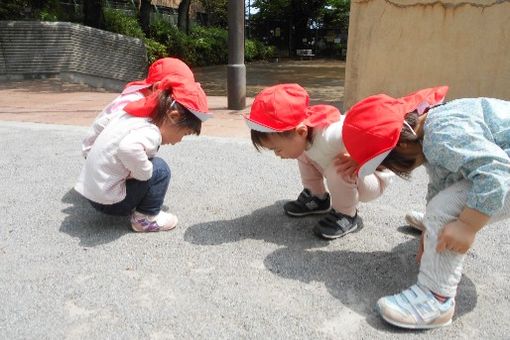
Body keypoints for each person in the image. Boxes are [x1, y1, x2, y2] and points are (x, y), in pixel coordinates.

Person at [340, 85, 510, 329]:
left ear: (401, 147)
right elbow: (443, 181)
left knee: (445, 208)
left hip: (502, 171)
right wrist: (431, 228)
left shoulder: (442, 134)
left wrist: (466, 225)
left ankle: (436, 299)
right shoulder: (430, 126)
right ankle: (440, 222)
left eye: (389, 163)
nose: (394, 170)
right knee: (441, 206)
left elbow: (496, 172)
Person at [244, 83, 394, 239]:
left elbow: (383, 132)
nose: (277, 155)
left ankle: (346, 214)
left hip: (373, 176)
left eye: (277, 149)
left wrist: (360, 159)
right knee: (303, 153)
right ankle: (317, 197)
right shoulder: (306, 136)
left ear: (301, 131)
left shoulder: (331, 135)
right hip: (351, 175)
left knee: (337, 167)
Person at [75, 75, 212, 232]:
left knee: (146, 160)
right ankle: (145, 219)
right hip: (109, 203)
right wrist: (144, 174)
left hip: (92, 193)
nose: (179, 140)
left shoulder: (133, 114)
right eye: (185, 133)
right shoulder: (151, 132)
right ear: (173, 116)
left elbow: (103, 127)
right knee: (160, 169)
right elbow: (128, 149)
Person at [81, 57, 195, 159]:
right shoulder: (132, 104)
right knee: (160, 170)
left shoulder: (140, 99)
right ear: (157, 88)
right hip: (103, 158)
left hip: (104, 156)